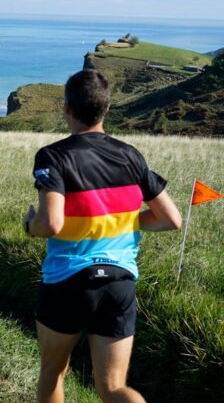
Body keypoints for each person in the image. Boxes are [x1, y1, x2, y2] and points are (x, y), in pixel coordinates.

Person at [23, 70, 181, 403]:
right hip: (119, 283)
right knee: (112, 387)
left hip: (69, 281)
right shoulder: (131, 156)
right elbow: (171, 219)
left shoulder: (53, 156)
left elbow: (51, 223)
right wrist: (120, 221)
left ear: (67, 109)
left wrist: (29, 224)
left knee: (53, 372)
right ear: (105, 109)